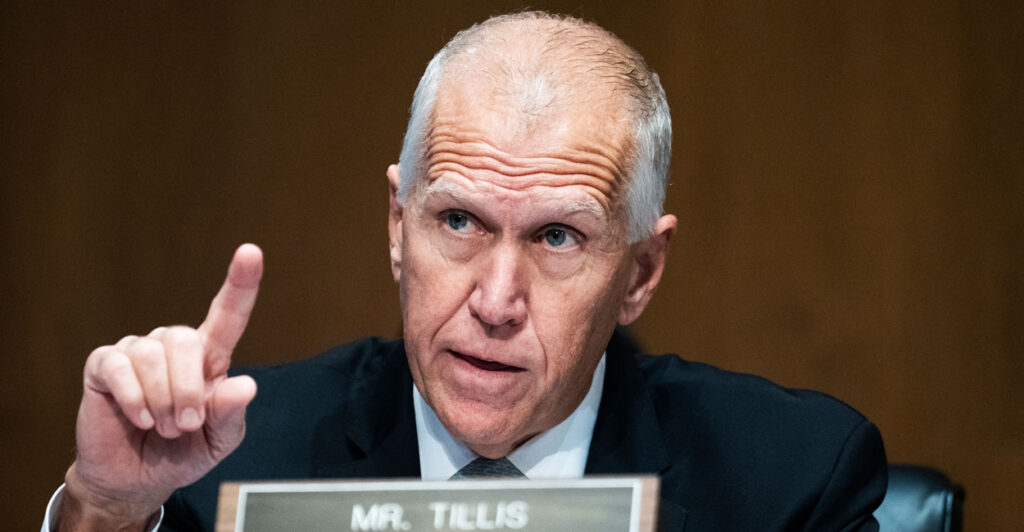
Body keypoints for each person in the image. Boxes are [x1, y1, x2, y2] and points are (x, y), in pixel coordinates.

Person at [44, 11, 887, 532]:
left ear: (641, 271)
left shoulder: (789, 485)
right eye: (458, 220)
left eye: (559, 237)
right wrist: (107, 511)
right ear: (397, 227)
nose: (494, 302)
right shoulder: (223, 463)